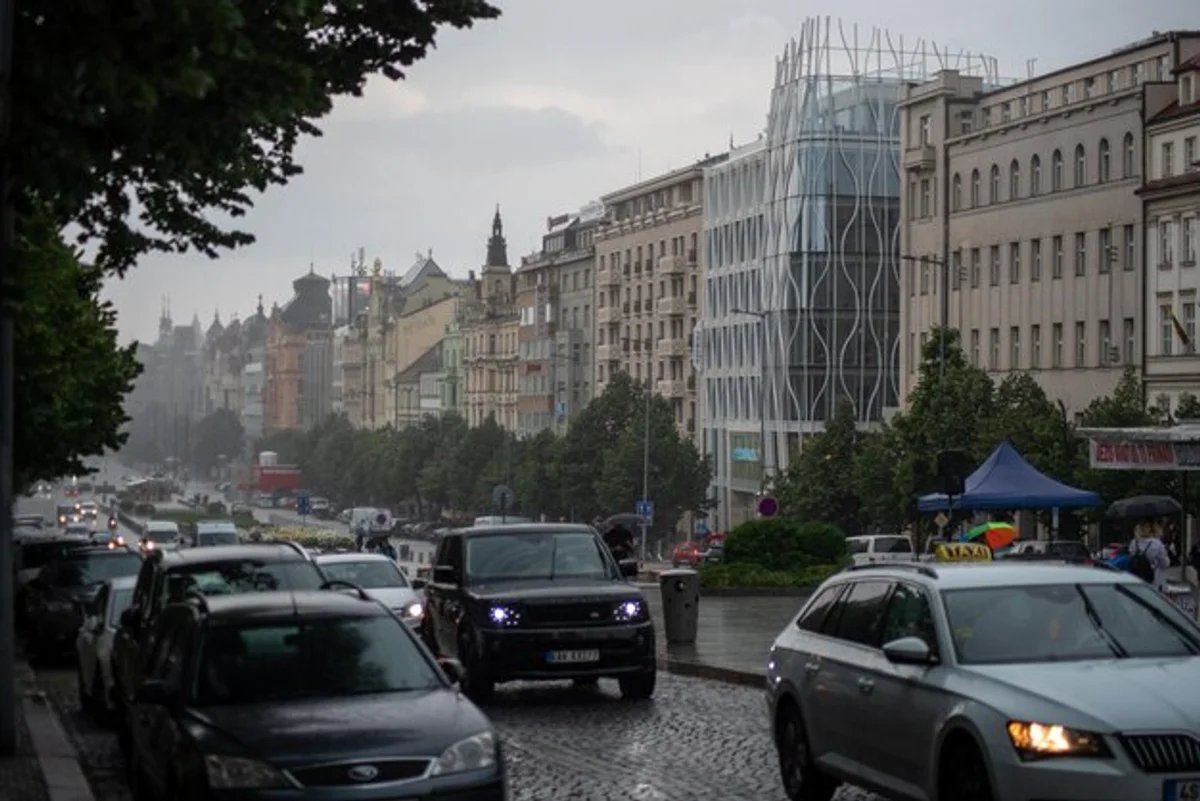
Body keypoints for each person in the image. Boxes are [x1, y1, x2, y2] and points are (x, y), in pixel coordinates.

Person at [1128, 518, 1172, 591]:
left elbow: (1131, 555)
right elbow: (1165, 564)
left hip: (1137, 579)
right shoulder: (1157, 544)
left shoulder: (1134, 542)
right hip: (1155, 581)